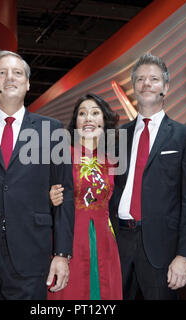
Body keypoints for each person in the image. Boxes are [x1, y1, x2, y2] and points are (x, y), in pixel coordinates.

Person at [0, 50, 75, 300]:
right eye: (1, 73)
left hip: (31, 252)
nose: (10, 78)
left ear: (27, 83)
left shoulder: (53, 131)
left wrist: (61, 254)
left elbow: (65, 194)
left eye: (17, 73)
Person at [108, 53, 186, 300]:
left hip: (163, 247)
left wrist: (185, 255)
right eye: (140, 79)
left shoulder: (185, 136)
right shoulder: (117, 136)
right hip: (119, 242)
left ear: (166, 87)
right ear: (135, 88)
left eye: (153, 79)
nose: (146, 84)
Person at [48, 93, 122, 300]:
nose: (88, 118)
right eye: (82, 113)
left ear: (104, 121)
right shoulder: (61, 155)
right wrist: (48, 198)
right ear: (76, 123)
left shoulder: (112, 161)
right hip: (70, 240)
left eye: (95, 113)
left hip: (105, 243)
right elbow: (35, 194)